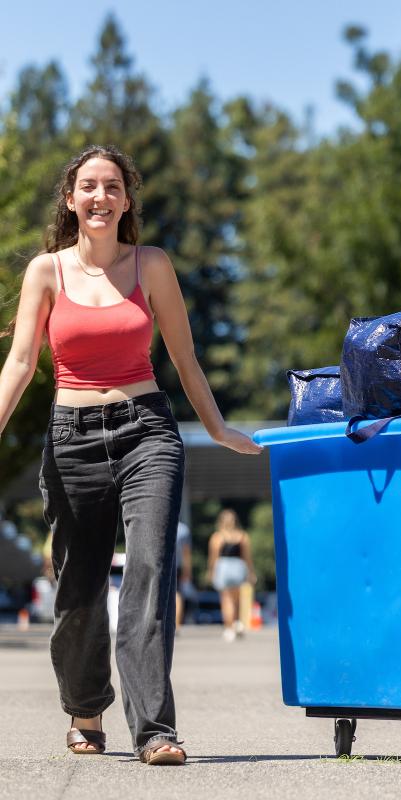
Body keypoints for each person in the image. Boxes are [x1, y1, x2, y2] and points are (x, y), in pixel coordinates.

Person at [0, 145, 262, 765]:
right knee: (78, 590)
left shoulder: (151, 266)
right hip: (72, 438)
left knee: (148, 574)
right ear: (71, 199)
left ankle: (154, 730)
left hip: (147, 430)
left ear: (126, 200)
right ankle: (85, 709)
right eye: (88, 187)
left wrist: (218, 429)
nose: (99, 197)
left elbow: (184, 358)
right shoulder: (46, 272)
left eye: (112, 187)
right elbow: (20, 362)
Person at [206, 509, 256, 642]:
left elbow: (213, 557)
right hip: (238, 567)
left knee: (226, 599)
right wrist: (251, 572)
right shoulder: (242, 536)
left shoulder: (217, 537)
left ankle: (229, 628)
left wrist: (211, 572)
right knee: (238, 599)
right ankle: (238, 623)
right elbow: (247, 557)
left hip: (224, 567)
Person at [175, 520, 193, 628]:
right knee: (177, 594)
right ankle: (176, 624)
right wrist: (187, 570)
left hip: (160, 563)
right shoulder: (183, 529)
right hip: (177, 565)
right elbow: (186, 552)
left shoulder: (157, 522)